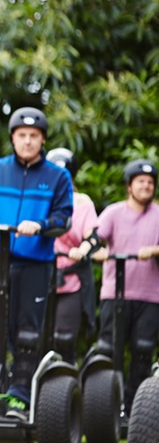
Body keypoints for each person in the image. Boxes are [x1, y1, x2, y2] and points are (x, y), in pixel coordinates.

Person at [0, 107, 73, 421]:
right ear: (13, 138)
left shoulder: (57, 176)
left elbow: (64, 217)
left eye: (34, 136)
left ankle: (18, 395)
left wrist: (41, 224)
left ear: (42, 140)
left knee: (27, 332)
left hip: (34, 263)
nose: (27, 141)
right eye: (22, 136)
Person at [92, 159, 159, 417]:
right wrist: (98, 251)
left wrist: (153, 250)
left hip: (149, 296)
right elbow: (95, 238)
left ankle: (136, 411)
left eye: (150, 182)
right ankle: (105, 409)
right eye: (141, 182)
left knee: (143, 351)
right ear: (129, 186)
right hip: (115, 294)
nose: (146, 186)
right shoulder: (113, 212)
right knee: (109, 350)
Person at [47, 148, 101, 364]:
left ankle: (65, 378)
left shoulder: (81, 202)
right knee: (33, 336)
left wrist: (82, 250)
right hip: (41, 275)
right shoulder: (41, 199)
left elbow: (93, 237)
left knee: (64, 338)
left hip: (71, 278)